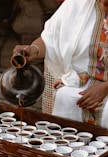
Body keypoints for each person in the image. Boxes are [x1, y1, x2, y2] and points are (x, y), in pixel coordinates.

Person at [13, 0, 108, 129]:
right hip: (84, 79)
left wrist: (105, 88)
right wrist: (33, 50)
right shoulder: (77, 5)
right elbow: (50, 39)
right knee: (65, 96)